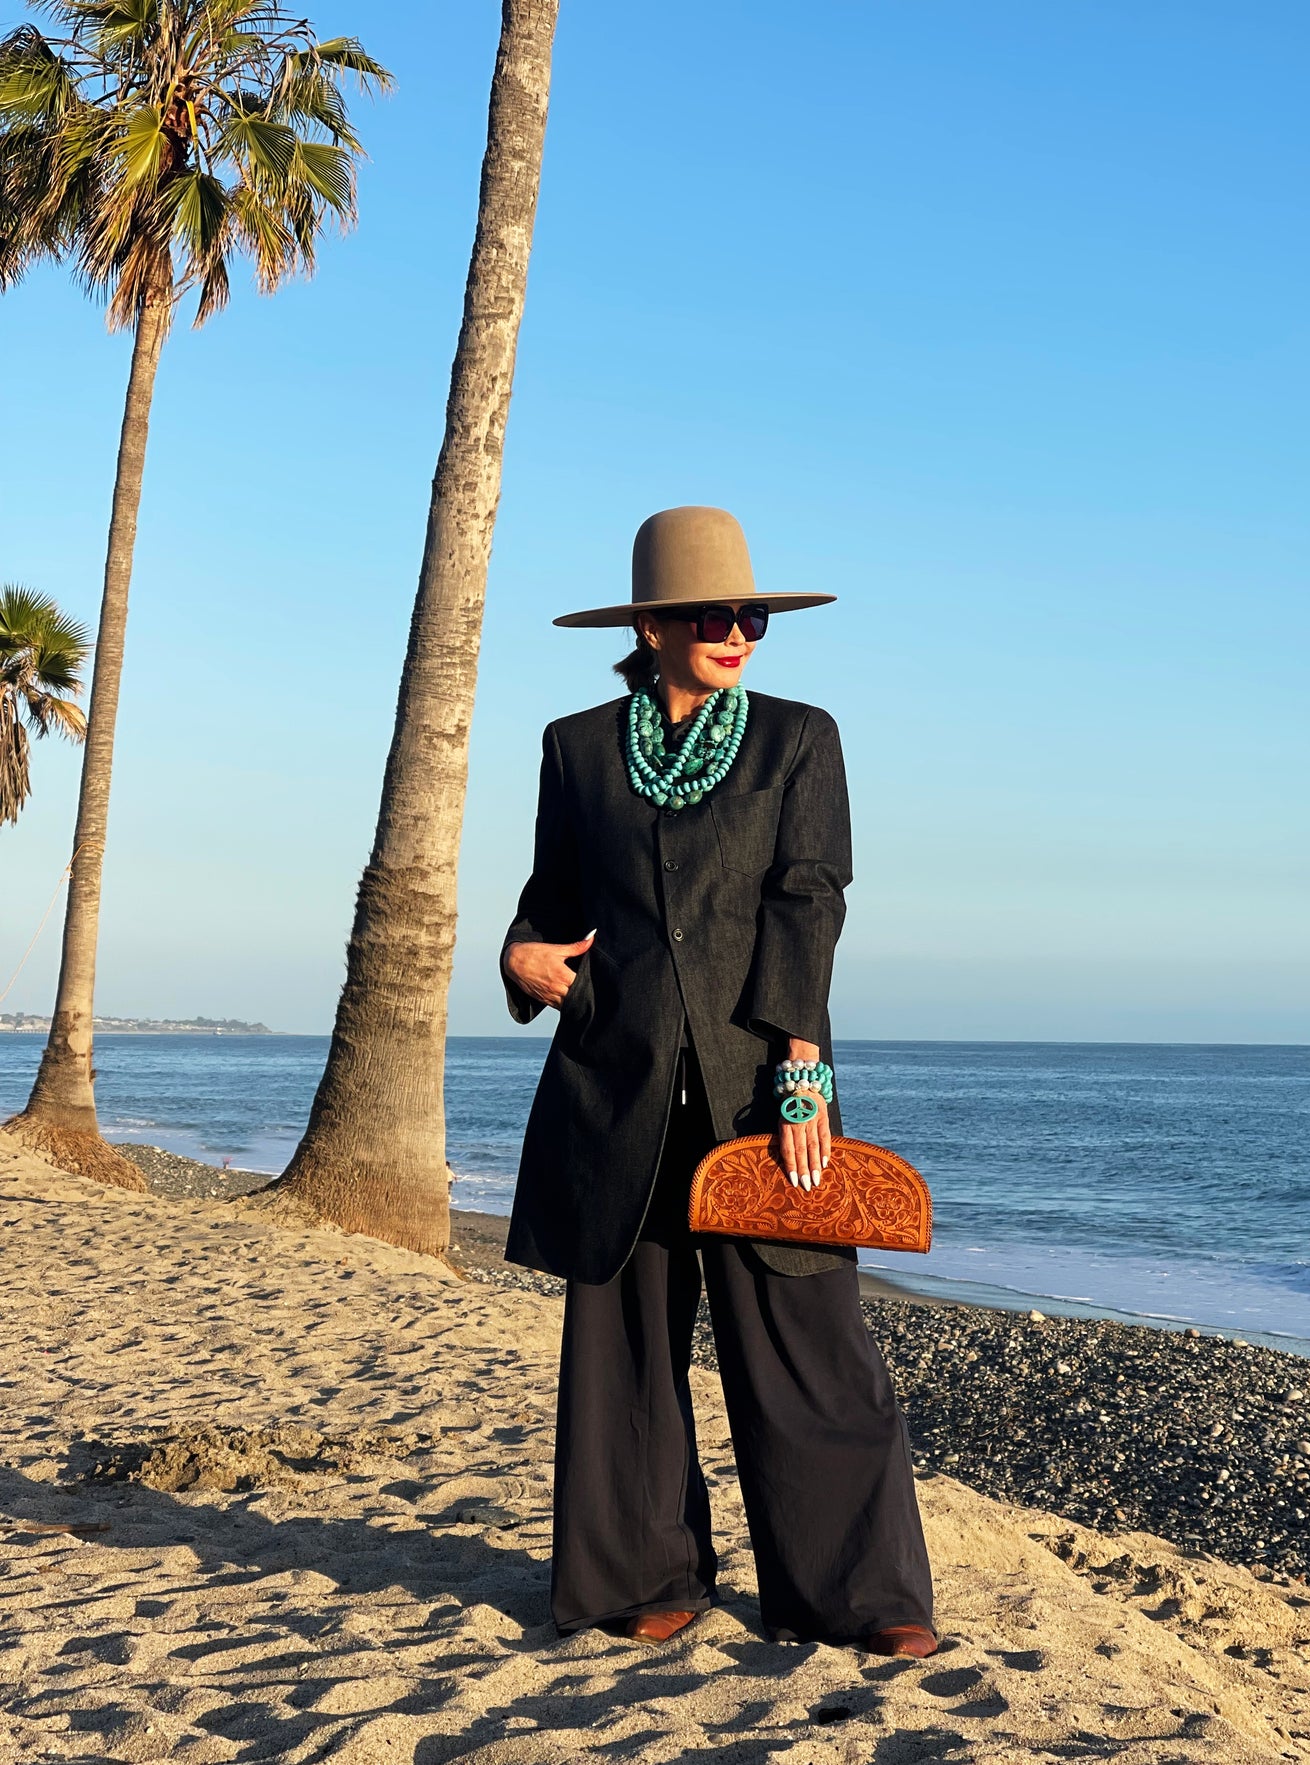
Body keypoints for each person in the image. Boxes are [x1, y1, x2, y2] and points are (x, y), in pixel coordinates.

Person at [500, 506, 936, 1656]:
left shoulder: (797, 738)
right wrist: (520, 956)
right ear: (650, 627)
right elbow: (551, 902)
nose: (736, 631)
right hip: (618, 1080)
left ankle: (860, 1594)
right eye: (712, 615)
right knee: (628, 1348)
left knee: (807, 1336)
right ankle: (645, 1575)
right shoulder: (577, 747)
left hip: (760, 1084)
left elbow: (809, 895)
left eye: (750, 616)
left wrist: (800, 1061)